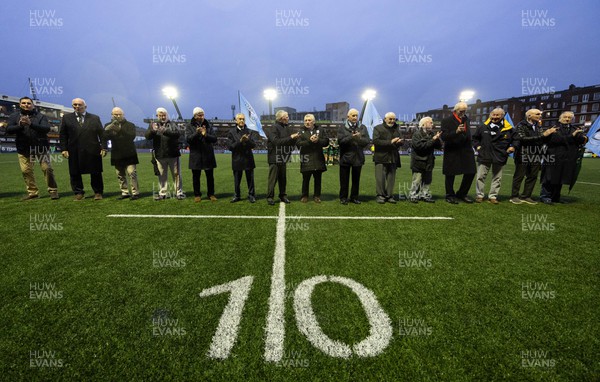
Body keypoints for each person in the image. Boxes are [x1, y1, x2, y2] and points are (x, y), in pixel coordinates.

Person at [6, 96, 58, 200]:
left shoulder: (40, 116)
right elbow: (8, 130)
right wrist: (20, 125)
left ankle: (53, 191)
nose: (26, 105)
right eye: (24, 103)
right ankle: (33, 192)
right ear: (20, 104)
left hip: (40, 147)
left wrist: (31, 124)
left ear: (33, 105)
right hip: (23, 148)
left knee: (47, 169)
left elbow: (46, 129)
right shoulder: (14, 116)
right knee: (26, 171)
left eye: (29, 103)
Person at [59, 98, 106, 201]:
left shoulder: (94, 118)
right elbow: (63, 135)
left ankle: (98, 192)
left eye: (80, 105)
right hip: (74, 149)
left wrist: (104, 147)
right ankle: (78, 193)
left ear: (85, 106)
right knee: (74, 172)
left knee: (95, 172)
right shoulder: (67, 118)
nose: (77, 106)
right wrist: (64, 149)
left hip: (93, 149)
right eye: (75, 105)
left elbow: (102, 134)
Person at [539, 111, 588, 204]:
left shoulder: (575, 129)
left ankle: (556, 197)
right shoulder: (554, 128)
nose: (567, 119)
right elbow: (556, 140)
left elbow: (582, 140)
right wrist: (572, 136)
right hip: (553, 156)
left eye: (569, 117)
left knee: (561, 177)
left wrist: (584, 137)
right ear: (560, 118)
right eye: (565, 117)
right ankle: (545, 196)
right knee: (549, 177)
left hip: (568, 158)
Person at [510, 109, 557, 204]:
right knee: (519, 176)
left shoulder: (538, 126)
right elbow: (522, 139)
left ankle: (526, 196)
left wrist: (548, 135)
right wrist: (543, 136)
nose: (540, 115)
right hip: (523, 154)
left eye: (540, 114)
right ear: (529, 116)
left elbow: (541, 140)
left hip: (536, 154)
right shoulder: (520, 126)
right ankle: (514, 196)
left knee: (533, 176)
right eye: (537, 114)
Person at [472, 108, 515, 204]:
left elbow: (516, 140)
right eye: (493, 115)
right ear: (490, 115)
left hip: (500, 155)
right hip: (484, 155)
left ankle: (493, 196)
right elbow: (475, 139)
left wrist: (513, 147)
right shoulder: (482, 127)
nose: (495, 117)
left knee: (497, 178)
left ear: (502, 116)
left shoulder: (509, 128)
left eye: (497, 115)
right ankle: (479, 195)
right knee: (480, 177)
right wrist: (478, 147)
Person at [145, 107, 185, 200]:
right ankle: (162, 193)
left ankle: (179, 193)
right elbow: (147, 136)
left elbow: (177, 134)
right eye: (160, 115)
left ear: (167, 115)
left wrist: (165, 131)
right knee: (162, 175)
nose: (162, 117)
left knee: (176, 174)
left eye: (164, 115)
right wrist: (153, 131)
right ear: (157, 116)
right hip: (160, 154)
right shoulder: (153, 125)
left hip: (173, 154)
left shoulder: (173, 124)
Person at [441, 102, 476, 204]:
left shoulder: (467, 120)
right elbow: (444, 137)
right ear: (455, 111)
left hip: (466, 150)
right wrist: (455, 132)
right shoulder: (446, 120)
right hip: (452, 150)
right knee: (450, 174)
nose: (463, 113)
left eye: (465, 111)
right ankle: (450, 195)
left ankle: (462, 193)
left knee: (471, 172)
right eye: (461, 111)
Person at [104, 107, 140, 200]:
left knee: (132, 173)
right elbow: (105, 138)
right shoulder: (108, 125)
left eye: (120, 114)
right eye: (115, 114)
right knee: (120, 175)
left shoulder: (130, 125)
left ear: (123, 115)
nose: (118, 116)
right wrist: (108, 130)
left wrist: (120, 130)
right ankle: (125, 192)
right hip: (117, 153)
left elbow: (131, 137)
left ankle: (135, 192)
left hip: (129, 153)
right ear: (112, 115)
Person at [266, 110, 300, 205]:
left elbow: (290, 142)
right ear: (282, 118)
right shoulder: (273, 128)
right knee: (273, 179)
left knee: (283, 179)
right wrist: (291, 137)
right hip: (275, 157)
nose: (288, 118)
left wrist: (296, 138)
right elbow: (276, 142)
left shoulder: (287, 128)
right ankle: (270, 197)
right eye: (287, 116)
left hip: (283, 157)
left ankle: (283, 195)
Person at [338, 108, 370, 204]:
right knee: (344, 180)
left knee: (356, 180)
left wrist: (359, 138)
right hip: (345, 157)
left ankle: (354, 197)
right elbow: (340, 142)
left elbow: (366, 142)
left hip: (358, 157)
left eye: (356, 115)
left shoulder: (363, 127)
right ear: (348, 117)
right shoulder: (342, 128)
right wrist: (351, 137)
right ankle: (343, 198)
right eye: (353, 115)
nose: (355, 117)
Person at [186, 107, 217, 203]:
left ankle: (211, 194)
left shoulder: (208, 125)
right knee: (196, 176)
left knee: (210, 176)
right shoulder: (189, 126)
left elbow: (215, 139)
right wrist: (196, 133)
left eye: (202, 115)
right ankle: (197, 195)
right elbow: (188, 139)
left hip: (208, 154)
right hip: (196, 155)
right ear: (195, 116)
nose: (201, 117)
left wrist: (205, 134)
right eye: (199, 115)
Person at [408, 116, 442, 203]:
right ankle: (413, 195)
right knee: (417, 180)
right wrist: (433, 139)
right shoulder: (417, 134)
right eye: (430, 122)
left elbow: (439, 147)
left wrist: (437, 139)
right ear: (423, 124)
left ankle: (424, 195)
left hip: (429, 161)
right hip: (418, 161)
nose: (432, 124)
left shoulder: (432, 134)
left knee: (427, 180)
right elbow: (420, 147)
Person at [297, 114, 329, 203]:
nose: (307, 122)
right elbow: (298, 144)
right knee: (305, 179)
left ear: (313, 122)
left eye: (309, 120)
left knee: (318, 179)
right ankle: (304, 196)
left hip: (318, 158)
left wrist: (318, 140)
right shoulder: (300, 131)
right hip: (306, 159)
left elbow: (326, 142)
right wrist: (309, 141)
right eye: (306, 120)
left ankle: (317, 196)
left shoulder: (321, 129)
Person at [373, 112, 403, 204]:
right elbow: (376, 141)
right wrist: (390, 142)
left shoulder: (397, 129)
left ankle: (389, 195)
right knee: (380, 178)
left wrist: (400, 142)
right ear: (385, 119)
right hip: (381, 157)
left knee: (391, 178)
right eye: (390, 119)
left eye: (394, 119)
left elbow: (401, 140)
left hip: (393, 157)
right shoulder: (377, 128)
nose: (392, 121)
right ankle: (380, 195)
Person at [228, 113, 257, 203]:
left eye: (243, 119)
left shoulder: (250, 131)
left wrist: (247, 140)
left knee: (250, 179)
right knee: (237, 179)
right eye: (240, 119)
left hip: (248, 159)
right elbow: (230, 147)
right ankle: (237, 195)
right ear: (236, 120)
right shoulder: (231, 132)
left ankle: (251, 195)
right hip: (237, 159)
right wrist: (240, 141)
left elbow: (254, 145)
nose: (242, 120)